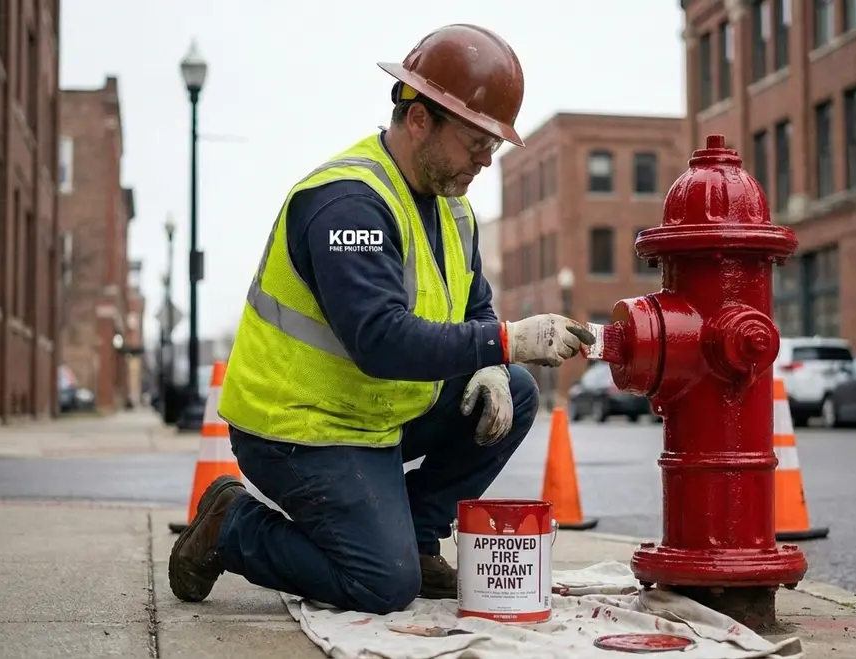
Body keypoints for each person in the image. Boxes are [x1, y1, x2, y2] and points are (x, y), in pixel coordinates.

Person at [167, 23, 595, 615]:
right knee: (382, 586)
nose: (484, 162)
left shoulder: (455, 210)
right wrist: (506, 341)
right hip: (300, 428)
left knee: (515, 391)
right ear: (419, 119)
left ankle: (416, 540)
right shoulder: (348, 201)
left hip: (375, 413)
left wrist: (495, 363)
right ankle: (230, 526)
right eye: (476, 144)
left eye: (492, 148)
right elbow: (380, 341)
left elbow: (474, 305)